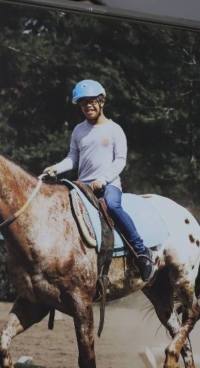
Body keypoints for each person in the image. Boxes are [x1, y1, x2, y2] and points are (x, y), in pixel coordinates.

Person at [43, 79, 154, 282]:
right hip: (82, 185)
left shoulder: (114, 130)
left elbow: (120, 160)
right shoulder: (78, 130)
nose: (88, 106)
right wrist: (56, 168)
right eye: (83, 103)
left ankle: (141, 251)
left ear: (102, 102)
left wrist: (103, 179)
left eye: (92, 101)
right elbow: (73, 158)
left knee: (112, 205)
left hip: (108, 185)